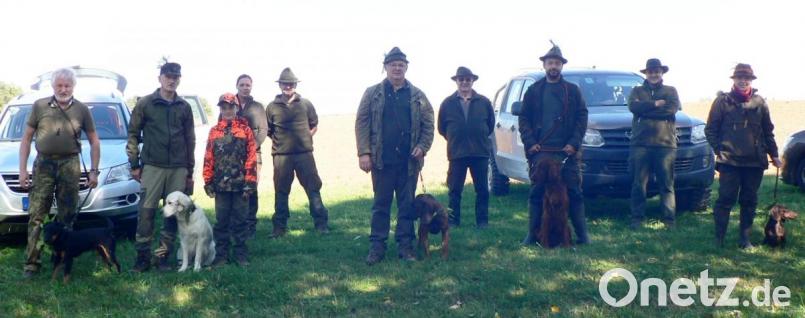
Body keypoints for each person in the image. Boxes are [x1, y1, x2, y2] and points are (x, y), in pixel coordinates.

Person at [356, 47, 435, 265]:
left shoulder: (418, 95)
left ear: (406, 68)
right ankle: (377, 248)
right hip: (382, 162)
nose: (397, 68)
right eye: (393, 65)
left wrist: (422, 146)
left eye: (401, 65)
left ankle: (405, 248)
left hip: (409, 163)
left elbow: (429, 124)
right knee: (381, 206)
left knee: (407, 206)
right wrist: (364, 152)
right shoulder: (372, 93)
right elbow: (362, 123)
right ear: (386, 68)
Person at [19, 68, 101, 278]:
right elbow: (27, 139)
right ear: (53, 86)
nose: (63, 89)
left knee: (67, 217)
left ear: (73, 86)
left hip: (70, 166)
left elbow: (94, 141)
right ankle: (32, 264)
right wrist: (22, 171)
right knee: (37, 216)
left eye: (67, 86)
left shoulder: (82, 109)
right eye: (59, 86)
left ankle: (64, 261)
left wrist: (93, 171)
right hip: (43, 165)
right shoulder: (40, 106)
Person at [518, 42, 590, 246]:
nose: (553, 66)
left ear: (562, 66)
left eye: (557, 63)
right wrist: (531, 143)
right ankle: (532, 234)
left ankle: (583, 235)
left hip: (567, 152)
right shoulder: (533, 91)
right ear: (544, 65)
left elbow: (581, 118)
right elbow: (523, 119)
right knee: (536, 193)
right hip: (542, 152)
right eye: (550, 62)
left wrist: (574, 143)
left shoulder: (573, 91)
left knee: (574, 192)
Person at [127, 62, 196, 272]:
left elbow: (190, 139)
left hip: (178, 168)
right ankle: (142, 258)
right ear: (160, 78)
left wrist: (189, 170)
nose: (172, 80)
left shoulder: (184, 107)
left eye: (176, 77)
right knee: (146, 213)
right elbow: (132, 134)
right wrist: (135, 164)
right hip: (152, 167)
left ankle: (162, 257)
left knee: (173, 214)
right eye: (168, 76)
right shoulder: (145, 104)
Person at [705, 63, 781, 249]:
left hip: (754, 161)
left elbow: (768, 131)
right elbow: (710, 129)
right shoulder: (722, 102)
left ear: (751, 80)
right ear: (734, 80)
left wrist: (775, 155)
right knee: (725, 199)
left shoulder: (760, 102)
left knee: (749, 201)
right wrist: (719, 149)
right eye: (739, 77)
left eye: (746, 78)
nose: (743, 81)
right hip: (729, 161)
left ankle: (744, 240)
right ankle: (719, 239)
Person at [265, 68, 329, 238]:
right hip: (281, 156)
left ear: (295, 85)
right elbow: (269, 130)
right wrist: (282, 143)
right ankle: (279, 227)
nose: (288, 86)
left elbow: (314, 124)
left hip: (304, 155)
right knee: (281, 191)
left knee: (313, 188)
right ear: (280, 85)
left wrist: (306, 137)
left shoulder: (306, 104)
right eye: (285, 83)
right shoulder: (271, 107)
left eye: (291, 83)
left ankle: (321, 224)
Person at [437, 66, 494, 229]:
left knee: (482, 190)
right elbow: (442, 128)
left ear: (472, 81)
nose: (464, 82)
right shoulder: (447, 104)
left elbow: (489, 125)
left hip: (480, 152)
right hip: (457, 153)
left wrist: (478, 135)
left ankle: (482, 221)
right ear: (456, 81)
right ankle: (453, 221)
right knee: (455, 191)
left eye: (468, 79)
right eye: (461, 79)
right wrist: (456, 138)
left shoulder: (484, 102)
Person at [204, 93, 257, 266]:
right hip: (220, 185)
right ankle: (221, 256)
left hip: (241, 184)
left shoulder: (245, 130)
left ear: (236, 109)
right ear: (220, 109)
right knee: (222, 222)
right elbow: (208, 157)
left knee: (241, 220)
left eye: (230, 107)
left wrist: (250, 182)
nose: (227, 110)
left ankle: (241, 254)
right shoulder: (214, 131)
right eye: (224, 108)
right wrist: (208, 180)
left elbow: (251, 157)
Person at [627, 58, 680, 229]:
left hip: (665, 145)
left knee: (667, 184)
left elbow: (671, 109)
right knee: (638, 184)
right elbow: (633, 108)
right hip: (640, 145)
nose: (654, 74)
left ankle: (669, 220)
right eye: (650, 71)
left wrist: (645, 110)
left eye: (657, 71)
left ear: (662, 73)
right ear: (646, 73)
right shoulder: (636, 90)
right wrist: (655, 104)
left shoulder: (671, 91)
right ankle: (637, 218)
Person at [233, 74, 268, 239]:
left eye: (248, 85)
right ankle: (236, 225)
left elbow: (263, 130)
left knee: (251, 189)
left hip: (254, 154)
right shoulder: (229, 104)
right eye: (242, 85)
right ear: (237, 86)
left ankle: (250, 226)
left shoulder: (258, 107)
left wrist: (251, 148)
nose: (245, 87)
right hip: (232, 156)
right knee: (234, 189)